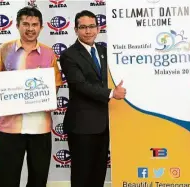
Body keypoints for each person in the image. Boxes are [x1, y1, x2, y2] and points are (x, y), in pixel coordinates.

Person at [0, 6, 63, 187]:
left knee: (38, 179)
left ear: (41, 27)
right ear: (17, 25)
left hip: (40, 128)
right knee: (7, 179)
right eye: (25, 24)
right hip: (10, 128)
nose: (30, 28)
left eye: (35, 24)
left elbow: (56, 84)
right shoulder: (4, 50)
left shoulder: (49, 53)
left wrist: (42, 95)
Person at [59, 10, 126, 187]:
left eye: (91, 27)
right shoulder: (69, 55)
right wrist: (111, 93)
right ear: (75, 30)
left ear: (98, 28)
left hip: (104, 125)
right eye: (83, 27)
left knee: (98, 175)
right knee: (82, 176)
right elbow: (80, 85)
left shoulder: (105, 51)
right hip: (81, 127)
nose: (88, 31)